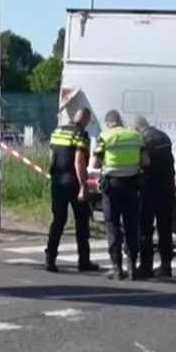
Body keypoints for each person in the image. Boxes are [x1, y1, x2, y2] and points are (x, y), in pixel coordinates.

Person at [43, 108, 99, 274]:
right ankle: (83, 260)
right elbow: (79, 162)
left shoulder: (57, 132)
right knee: (81, 221)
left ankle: (50, 259)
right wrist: (83, 185)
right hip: (73, 181)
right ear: (86, 119)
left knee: (58, 220)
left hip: (57, 181)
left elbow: (52, 155)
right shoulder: (81, 134)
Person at [92, 108, 146, 280]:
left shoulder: (106, 136)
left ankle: (117, 268)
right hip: (132, 185)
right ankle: (132, 268)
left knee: (113, 225)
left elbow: (95, 163)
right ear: (120, 120)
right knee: (131, 225)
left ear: (108, 122)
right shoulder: (136, 136)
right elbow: (146, 161)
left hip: (112, 186)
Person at [133, 115, 176, 280]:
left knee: (145, 227)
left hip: (149, 188)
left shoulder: (143, 140)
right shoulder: (164, 137)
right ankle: (166, 265)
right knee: (165, 228)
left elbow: (143, 163)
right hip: (167, 187)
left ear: (137, 128)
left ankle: (146, 265)